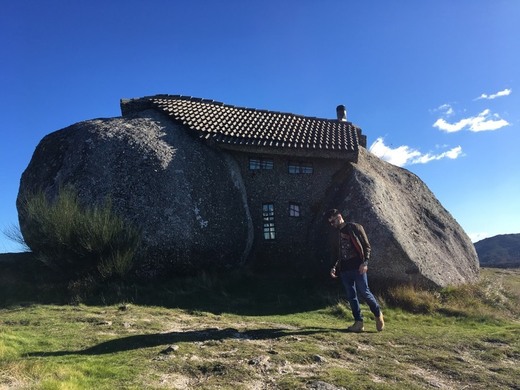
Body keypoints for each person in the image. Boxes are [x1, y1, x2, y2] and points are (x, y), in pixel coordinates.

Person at [326, 209, 384, 332]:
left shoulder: (355, 227)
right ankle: (358, 323)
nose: (332, 224)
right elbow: (337, 253)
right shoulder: (335, 234)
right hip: (344, 270)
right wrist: (334, 267)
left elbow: (366, 246)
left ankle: (378, 315)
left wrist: (365, 262)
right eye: (330, 223)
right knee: (351, 296)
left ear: (339, 216)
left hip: (358, 267)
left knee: (365, 292)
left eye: (332, 221)